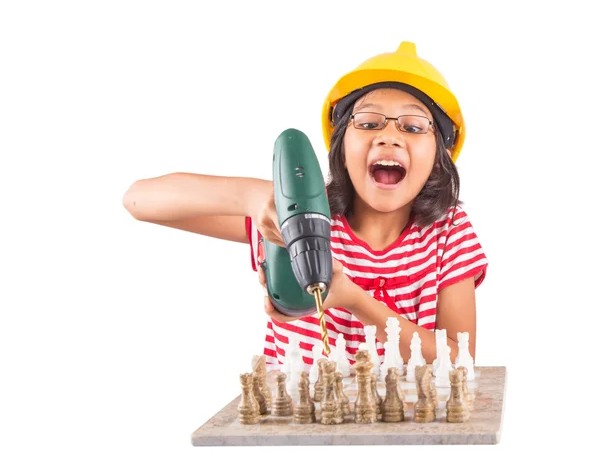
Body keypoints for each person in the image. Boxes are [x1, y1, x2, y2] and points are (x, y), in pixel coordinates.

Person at [122, 41, 488, 371]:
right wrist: (251, 199)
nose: (388, 136)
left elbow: (460, 362)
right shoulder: (295, 212)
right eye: (368, 122)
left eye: (413, 127)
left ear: (440, 157)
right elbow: (139, 200)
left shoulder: (449, 232)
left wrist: (354, 300)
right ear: (341, 146)